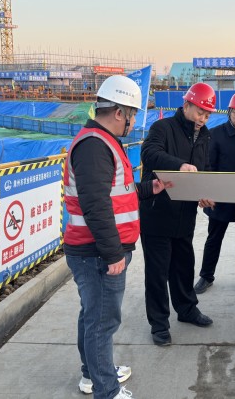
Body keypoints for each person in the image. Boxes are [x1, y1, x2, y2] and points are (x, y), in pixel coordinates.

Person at [64, 75, 167, 399]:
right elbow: (96, 205)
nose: (133, 122)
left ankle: (94, 373)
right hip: (97, 253)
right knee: (102, 322)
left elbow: (116, 191)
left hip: (95, 250)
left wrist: (148, 188)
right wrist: (112, 254)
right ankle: (105, 389)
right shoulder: (95, 146)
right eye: (132, 115)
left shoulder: (102, 141)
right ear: (119, 112)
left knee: (92, 316)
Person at [139, 82, 216, 347]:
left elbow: (204, 169)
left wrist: (204, 192)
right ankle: (159, 323)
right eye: (200, 112)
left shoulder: (204, 136)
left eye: (207, 115)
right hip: (158, 213)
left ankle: (187, 309)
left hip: (185, 214)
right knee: (158, 273)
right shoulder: (163, 128)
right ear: (186, 105)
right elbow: (149, 154)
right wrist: (179, 165)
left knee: (184, 266)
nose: (203, 119)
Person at [194, 91, 235, 295]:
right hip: (219, 197)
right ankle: (206, 276)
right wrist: (208, 192)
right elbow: (208, 166)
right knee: (214, 238)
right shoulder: (214, 134)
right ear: (229, 112)